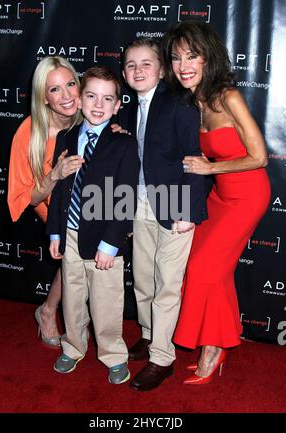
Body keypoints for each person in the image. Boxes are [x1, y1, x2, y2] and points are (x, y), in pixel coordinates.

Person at [162, 20, 271, 384]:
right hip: (221, 196)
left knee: (206, 271)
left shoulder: (228, 97)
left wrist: (211, 166)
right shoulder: (193, 100)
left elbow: (259, 157)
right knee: (206, 270)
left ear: (209, 58)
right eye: (176, 58)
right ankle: (220, 341)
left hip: (247, 196)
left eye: (192, 56)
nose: (184, 65)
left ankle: (213, 347)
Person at [119, 38, 207, 391]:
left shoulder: (180, 103)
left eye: (146, 63)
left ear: (161, 69)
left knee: (166, 286)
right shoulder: (126, 109)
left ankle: (162, 357)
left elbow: (194, 157)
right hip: (139, 203)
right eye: (130, 65)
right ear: (124, 74)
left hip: (175, 206)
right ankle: (149, 333)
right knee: (142, 279)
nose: (138, 70)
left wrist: (187, 210)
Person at [46, 66, 139, 384]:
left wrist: (112, 243)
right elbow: (60, 188)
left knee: (106, 300)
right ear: (80, 99)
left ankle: (113, 354)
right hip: (70, 233)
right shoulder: (66, 138)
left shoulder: (124, 145)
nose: (98, 105)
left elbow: (126, 199)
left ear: (116, 106)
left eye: (107, 99)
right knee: (71, 296)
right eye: (91, 96)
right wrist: (55, 231)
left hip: (104, 241)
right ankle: (72, 347)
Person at [8, 56, 83, 346]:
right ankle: (49, 311)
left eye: (70, 84)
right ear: (44, 97)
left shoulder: (89, 115)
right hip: (48, 202)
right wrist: (54, 175)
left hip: (82, 200)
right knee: (74, 246)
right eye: (55, 90)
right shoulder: (28, 133)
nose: (66, 96)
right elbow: (25, 197)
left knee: (82, 248)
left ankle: (51, 309)